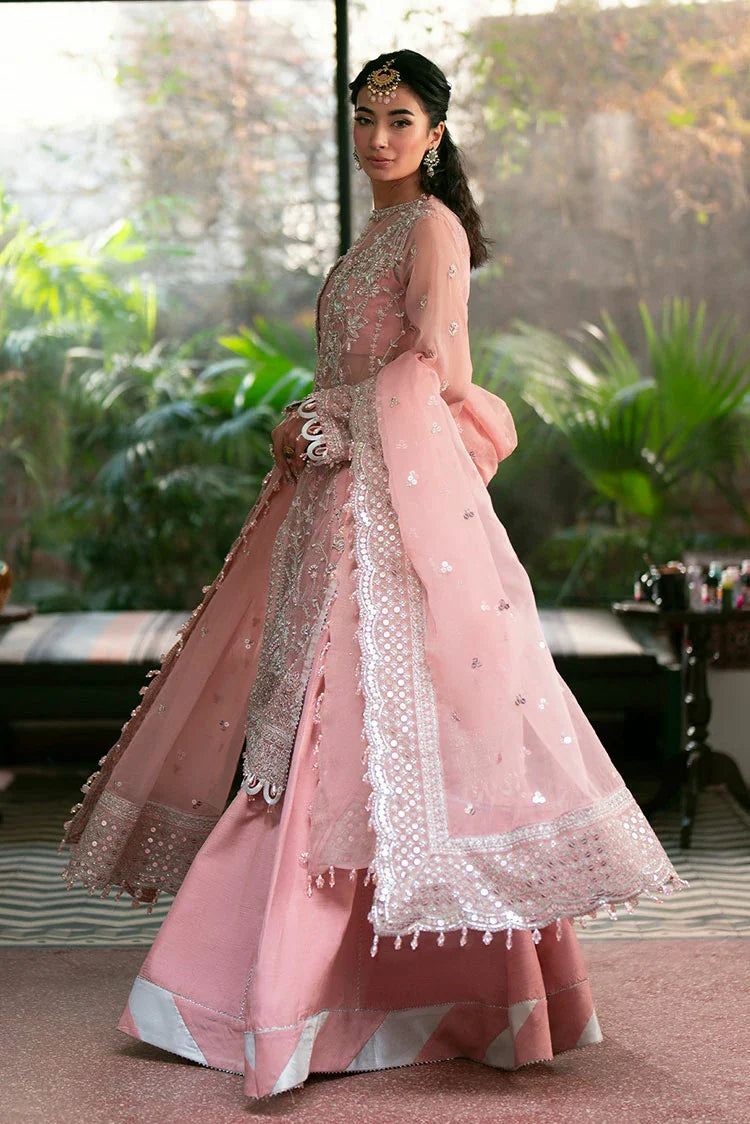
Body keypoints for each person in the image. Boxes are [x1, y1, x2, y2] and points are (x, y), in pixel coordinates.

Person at [58, 50, 687, 1101]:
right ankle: (318, 992)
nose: (379, 137)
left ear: (436, 134)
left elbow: (436, 379)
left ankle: (320, 1001)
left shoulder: (431, 228)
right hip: (333, 508)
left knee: (342, 731)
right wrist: (316, 425)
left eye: (399, 119)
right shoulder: (374, 236)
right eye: (365, 118)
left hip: (386, 520)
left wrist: (326, 421)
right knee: (307, 732)